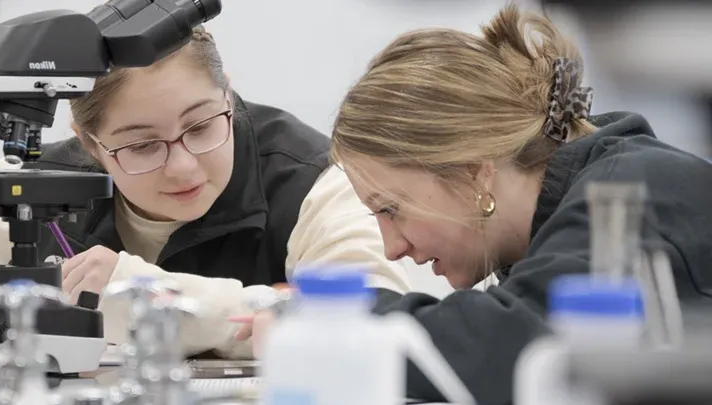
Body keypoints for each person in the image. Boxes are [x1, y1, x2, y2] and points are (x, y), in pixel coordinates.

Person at [239, 4, 712, 404]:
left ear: (472, 171)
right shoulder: (570, 211)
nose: (391, 248)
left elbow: (511, 352)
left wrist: (322, 324)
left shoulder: (631, 194)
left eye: (391, 209)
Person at [0, 25, 412, 358]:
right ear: (89, 143)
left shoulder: (312, 178)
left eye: (202, 126)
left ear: (227, 92)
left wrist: (149, 296)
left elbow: (376, 323)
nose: (183, 166)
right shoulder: (25, 191)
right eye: (143, 145)